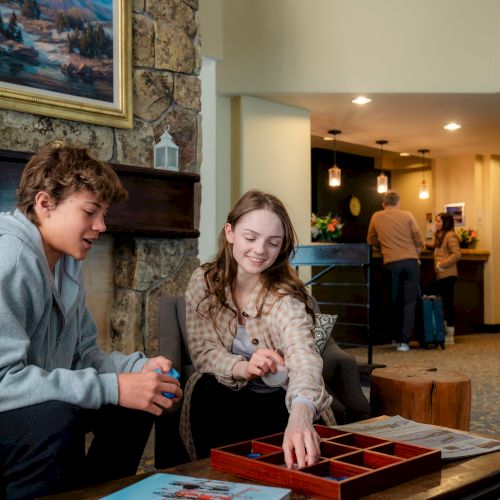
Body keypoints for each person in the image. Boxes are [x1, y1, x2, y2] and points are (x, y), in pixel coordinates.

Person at [0, 143, 183, 500]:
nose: (101, 226)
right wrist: (114, 386)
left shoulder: (66, 264)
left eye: (104, 213)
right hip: (11, 405)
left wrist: (137, 369)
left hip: (33, 404)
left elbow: (83, 354)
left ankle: (93, 494)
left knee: (139, 401)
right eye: (90, 212)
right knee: (55, 418)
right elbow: (4, 381)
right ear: (44, 204)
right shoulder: (10, 259)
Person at [184, 190, 334, 470]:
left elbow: (303, 355)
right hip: (222, 393)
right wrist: (243, 367)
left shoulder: (283, 298)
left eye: (272, 243)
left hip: (276, 398)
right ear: (230, 232)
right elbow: (204, 353)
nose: (260, 250)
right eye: (250, 238)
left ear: (281, 247)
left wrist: (301, 413)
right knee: (206, 388)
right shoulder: (203, 282)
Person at [367, 191, 424, 352]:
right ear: (398, 203)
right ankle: (404, 341)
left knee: (393, 301)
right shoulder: (407, 215)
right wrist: (417, 255)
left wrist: (383, 247)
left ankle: (394, 338)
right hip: (411, 263)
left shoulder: (376, 216)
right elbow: (418, 238)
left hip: (391, 263)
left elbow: (370, 240)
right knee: (409, 302)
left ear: (383, 204)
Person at [425, 212, 461, 344]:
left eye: (438, 221)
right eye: (435, 221)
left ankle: (450, 334)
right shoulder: (440, 236)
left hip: (448, 274)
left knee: (448, 303)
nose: (436, 223)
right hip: (441, 275)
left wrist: (442, 264)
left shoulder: (450, 236)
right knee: (436, 297)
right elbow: (434, 245)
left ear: (445, 223)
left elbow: (457, 254)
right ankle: (442, 331)